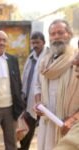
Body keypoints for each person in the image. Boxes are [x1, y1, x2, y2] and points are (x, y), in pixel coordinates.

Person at [34, 19, 79, 150]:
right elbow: (37, 86)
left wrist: (72, 120)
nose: (56, 37)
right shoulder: (44, 63)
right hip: (47, 123)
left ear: (69, 34)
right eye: (52, 34)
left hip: (69, 124)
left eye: (60, 32)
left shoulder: (76, 60)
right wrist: (37, 103)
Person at [19, 31, 48, 150]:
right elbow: (25, 77)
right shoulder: (31, 57)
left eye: (38, 42)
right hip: (29, 100)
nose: (35, 45)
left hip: (44, 101)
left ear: (44, 42)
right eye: (33, 42)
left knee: (45, 132)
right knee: (26, 130)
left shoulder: (48, 57)